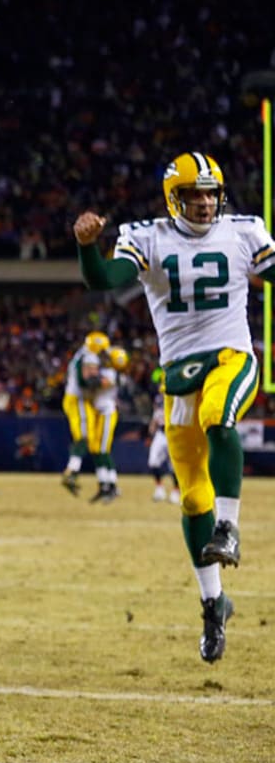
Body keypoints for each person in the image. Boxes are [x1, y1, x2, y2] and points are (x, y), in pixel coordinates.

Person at [74, 150, 275, 663]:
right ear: (174, 198)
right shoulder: (149, 237)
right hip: (179, 372)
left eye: (211, 193)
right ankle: (214, 604)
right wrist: (87, 246)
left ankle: (230, 526)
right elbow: (104, 280)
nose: (205, 203)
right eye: (194, 194)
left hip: (232, 356)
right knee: (190, 501)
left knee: (219, 416)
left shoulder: (245, 231)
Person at [59, 331, 109, 497]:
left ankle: (72, 471)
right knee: (84, 437)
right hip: (78, 399)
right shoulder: (88, 356)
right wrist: (103, 382)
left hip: (74, 398)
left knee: (84, 437)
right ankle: (70, 472)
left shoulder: (81, 354)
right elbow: (84, 381)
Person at [87, 344, 129, 504]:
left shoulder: (112, 373)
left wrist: (89, 375)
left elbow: (97, 382)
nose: (103, 359)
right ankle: (103, 484)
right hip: (98, 413)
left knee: (103, 449)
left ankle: (113, 485)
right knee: (96, 449)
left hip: (107, 413)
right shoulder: (110, 372)